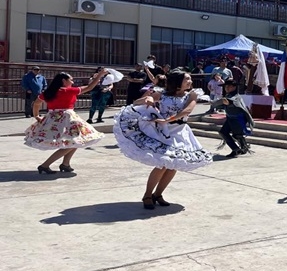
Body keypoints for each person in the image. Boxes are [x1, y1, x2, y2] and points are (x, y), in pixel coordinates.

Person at [113, 70, 213, 209]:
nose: (190, 81)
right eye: (187, 79)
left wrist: (167, 119)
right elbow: (138, 102)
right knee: (162, 165)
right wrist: (148, 99)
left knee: (173, 165)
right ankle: (147, 195)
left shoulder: (192, 94)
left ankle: (158, 194)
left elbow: (187, 111)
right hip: (163, 131)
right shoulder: (162, 93)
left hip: (180, 132)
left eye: (190, 79)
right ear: (177, 82)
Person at [24, 70, 107, 174]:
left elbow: (36, 103)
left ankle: (65, 164)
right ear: (64, 81)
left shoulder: (49, 92)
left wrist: (36, 116)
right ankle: (45, 165)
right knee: (75, 141)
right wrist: (100, 75)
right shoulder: (68, 91)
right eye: (71, 80)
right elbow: (90, 87)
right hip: (67, 118)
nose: (72, 82)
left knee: (75, 141)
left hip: (52, 118)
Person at [212, 78, 254, 158]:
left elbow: (231, 101)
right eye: (226, 86)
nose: (227, 88)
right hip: (230, 118)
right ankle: (236, 148)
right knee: (223, 132)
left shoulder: (236, 96)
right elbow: (222, 104)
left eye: (229, 86)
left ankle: (242, 148)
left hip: (238, 119)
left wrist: (226, 102)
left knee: (237, 135)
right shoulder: (227, 96)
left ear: (234, 87)